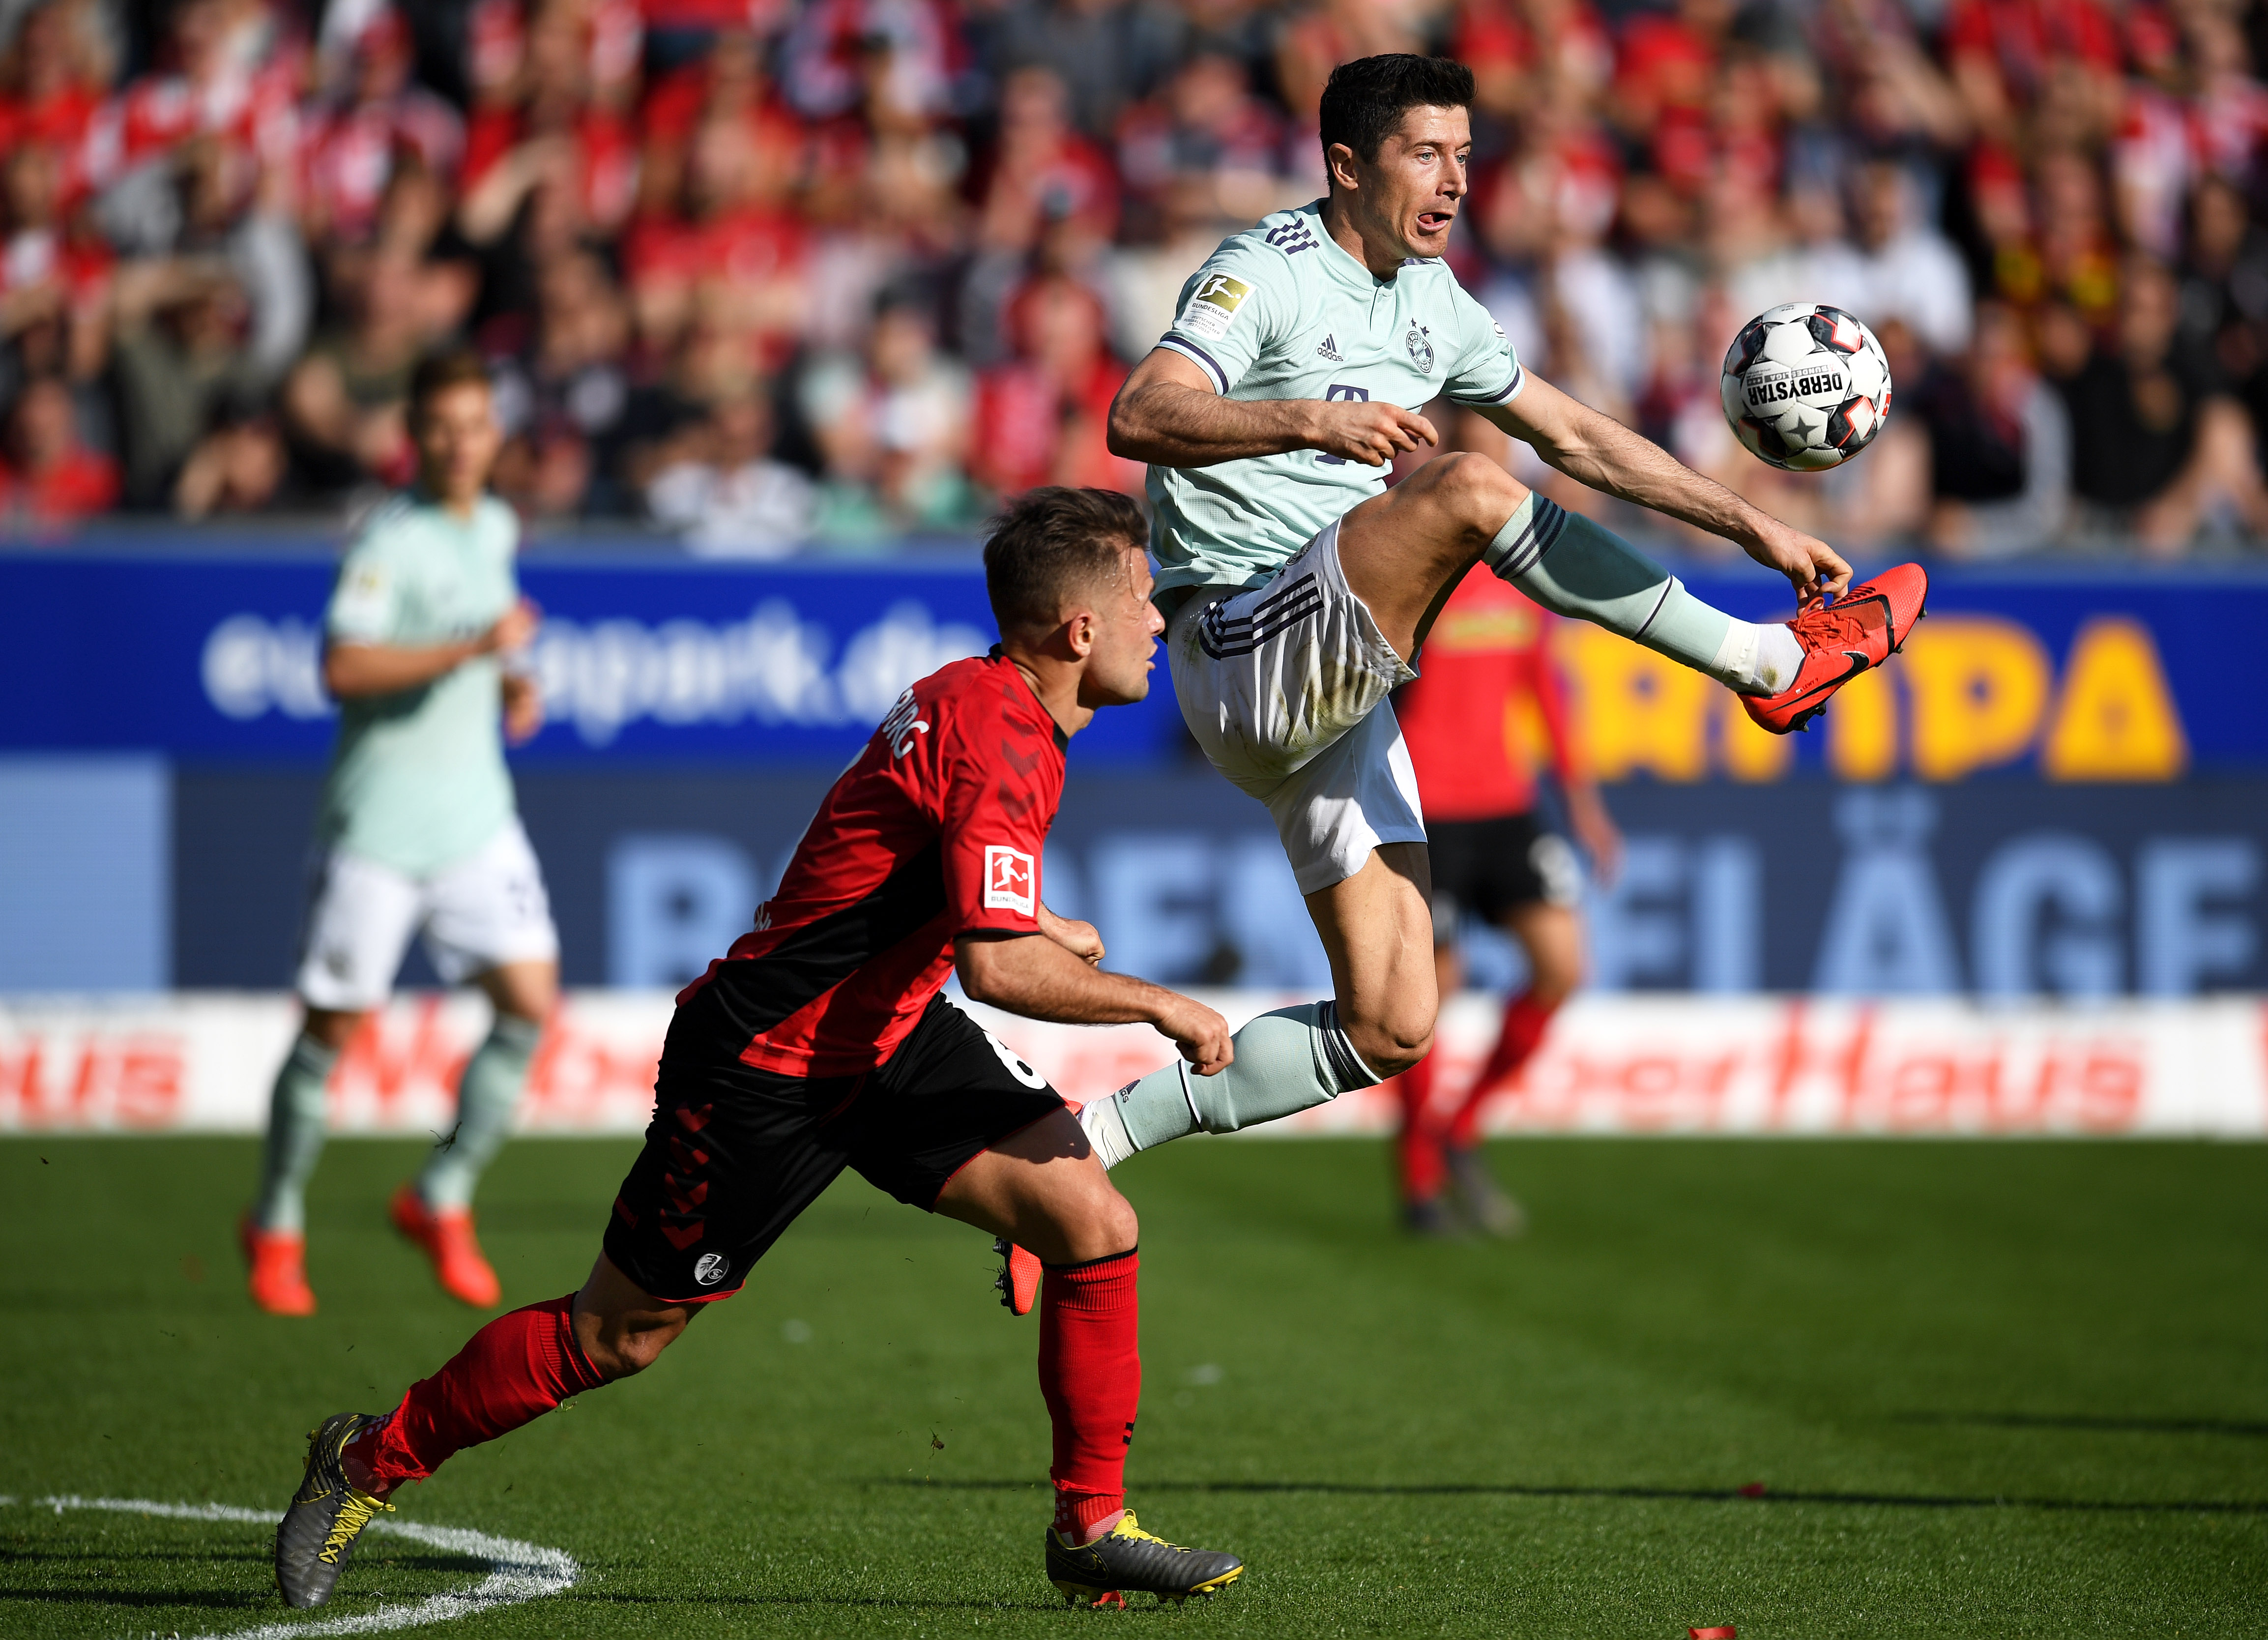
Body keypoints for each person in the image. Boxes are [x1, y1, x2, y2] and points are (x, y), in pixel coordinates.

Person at [272, 488, 1248, 1614]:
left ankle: (1090, 1526)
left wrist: (1039, 926)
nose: (1161, 622)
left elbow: (951, 897)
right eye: (1143, 598)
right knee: (618, 1336)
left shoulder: (987, 700)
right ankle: (363, 1462)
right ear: (1079, 632)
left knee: (1093, 1221)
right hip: (764, 1069)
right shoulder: (1001, 734)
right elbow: (998, 971)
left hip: (883, 1042)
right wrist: (1155, 1005)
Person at [1057, 55, 1926, 1189]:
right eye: (1426, 153)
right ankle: (1764, 664)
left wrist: (1749, 524)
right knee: (1468, 488)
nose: (1455, 180)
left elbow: (1579, 437)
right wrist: (1306, 420)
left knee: (1393, 1025)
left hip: (1334, 695)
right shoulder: (1263, 270)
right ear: (1347, 165)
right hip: (1242, 639)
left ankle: (1087, 1145)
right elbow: (1140, 411)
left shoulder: (1434, 302)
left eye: (1465, 155)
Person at [241, 349, 559, 1318]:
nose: (461, 444)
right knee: (330, 1033)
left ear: (495, 434)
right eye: (442, 426)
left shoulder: (495, 525)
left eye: (476, 425)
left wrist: (506, 685)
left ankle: (440, 1193)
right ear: (412, 436)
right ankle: (278, 1219)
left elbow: (477, 647)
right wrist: (474, 649)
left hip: (474, 820)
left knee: (529, 1005)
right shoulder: (386, 540)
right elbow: (342, 668)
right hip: (377, 828)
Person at [1390, 565, 1620, 1236]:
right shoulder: (1415, 566)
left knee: (1562, 967)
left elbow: (1542, 687)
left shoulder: (1520, 576)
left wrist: (1583, 805)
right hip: (1426, 806)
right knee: (1427, 997)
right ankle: (1418, 1181)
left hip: (1506, 803)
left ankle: (1457, 1130)